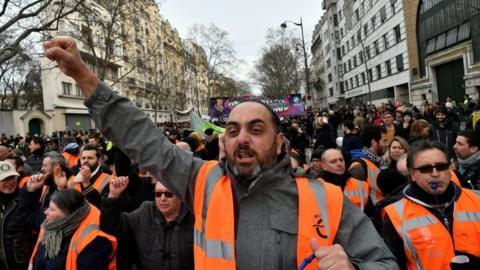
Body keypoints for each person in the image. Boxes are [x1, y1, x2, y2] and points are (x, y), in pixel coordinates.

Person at [43, 36, 399, 270]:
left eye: (256, 129)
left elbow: (384, 263)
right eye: (232, 130)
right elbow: (143, 137)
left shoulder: (328, 199)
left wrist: (353, 266)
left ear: (280, 142)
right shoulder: (201, 180)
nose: (241, 138)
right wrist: (83, 76)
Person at [383, 140, 480, 269]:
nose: (435, 174)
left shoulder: (476, 200)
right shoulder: (395, 215)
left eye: (441, 166)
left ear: (450, 168)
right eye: (426, 168)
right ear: (412, 174)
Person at [101, 176, 194, 270]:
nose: (162, 198)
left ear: (180, 195)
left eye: (168, 194)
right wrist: (113, 196)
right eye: (158, 194)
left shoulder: (194, 219)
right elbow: (112, 227)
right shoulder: (145, 211)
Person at [27, 189, 117, 270]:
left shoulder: (93, 244)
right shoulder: (52, 225)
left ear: (68, 215)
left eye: (51, 209)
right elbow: (30, 215)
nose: (45, 212)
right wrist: (29, 191)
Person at [0, 161, 35, 270]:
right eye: (5, 179)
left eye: (12, 178)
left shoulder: (26, 200)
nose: (10, 182)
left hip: (21, 264)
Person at [349, 125, 389, 215]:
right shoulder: (359, 167)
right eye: (384, 141)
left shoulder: (379, 161)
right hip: (372, 217)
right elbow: (355, 203)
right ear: (374, 142)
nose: (387, 144)